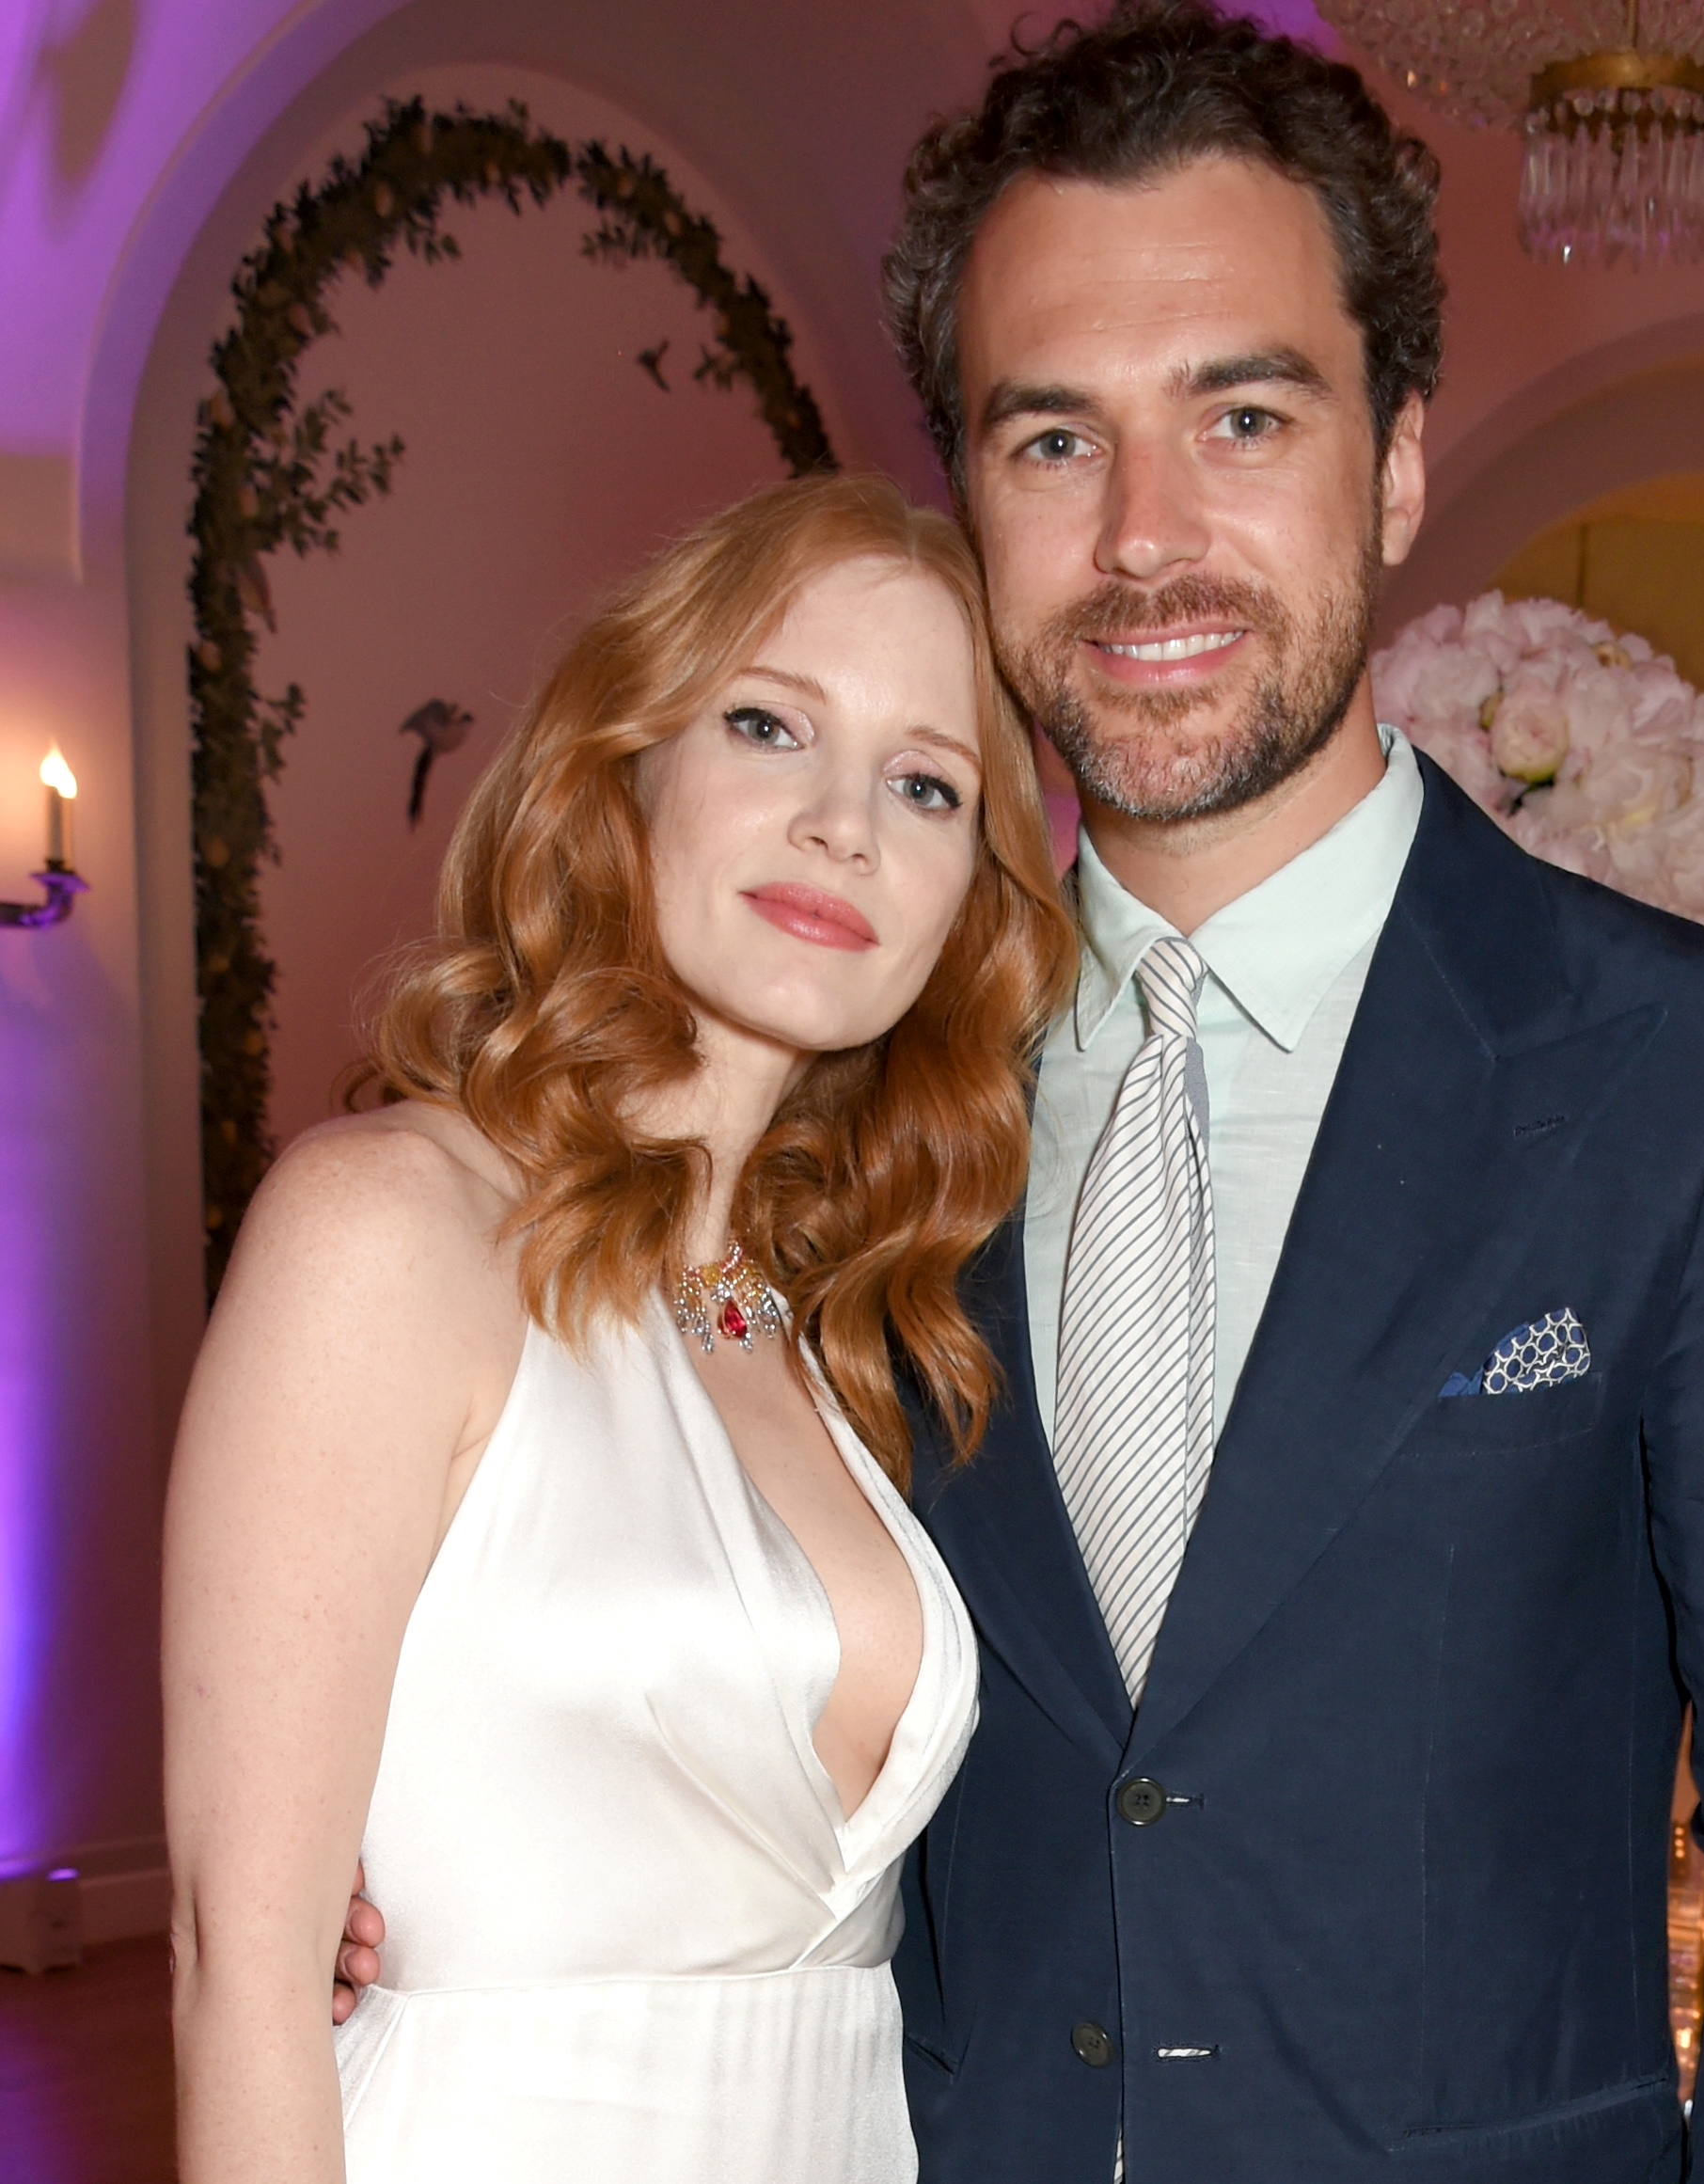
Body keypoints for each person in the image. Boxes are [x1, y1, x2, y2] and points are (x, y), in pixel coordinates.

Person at [339, 7, 1704, 2178]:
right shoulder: (839, 1101)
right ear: (971, 500)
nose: (1144, 537)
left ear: (1393, 458)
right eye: (1051, 441)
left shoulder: (1702, 1077)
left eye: (1243, 415)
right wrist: (429, 1886)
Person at [162, 471, 1077, 2183]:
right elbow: (245, 1971)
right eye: (766, 724)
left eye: (926, 784)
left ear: (974, 893)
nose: (843, 826)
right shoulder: (387, 1230)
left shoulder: (855, 1330)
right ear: (627, 763)